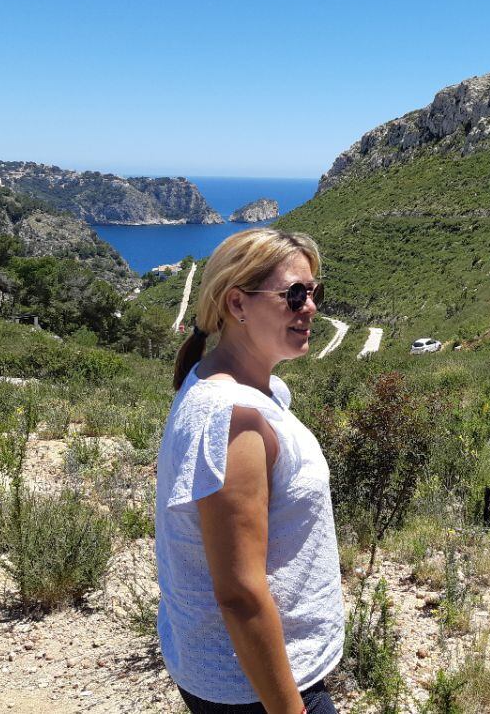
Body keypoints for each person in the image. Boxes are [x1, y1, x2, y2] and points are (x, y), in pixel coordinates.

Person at [156, 228, 343, 714]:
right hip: (258, 691)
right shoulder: (234, 417)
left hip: (250, 676)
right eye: (294, 294)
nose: (310, 308)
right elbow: (239, 593)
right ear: (237, 304)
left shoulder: (253, 391)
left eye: (313, 292)